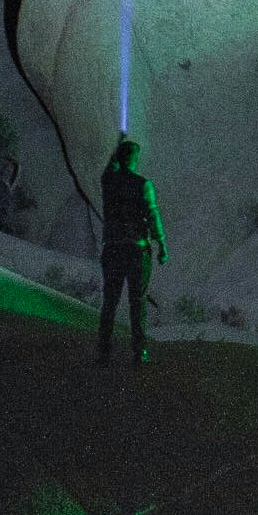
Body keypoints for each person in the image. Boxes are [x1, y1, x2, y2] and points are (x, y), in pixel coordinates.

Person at [96, 132, 166, 365]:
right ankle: (139, 351)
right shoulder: (143, 185)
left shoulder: (110, 182)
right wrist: (162, 244)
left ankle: (103, 350)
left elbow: (108, 170)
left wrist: (116, 145)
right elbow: (152, 214)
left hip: (113, 249)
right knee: (138, 302)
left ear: (119, 157)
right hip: (137, 250)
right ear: (135, 158)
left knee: (110, 300)